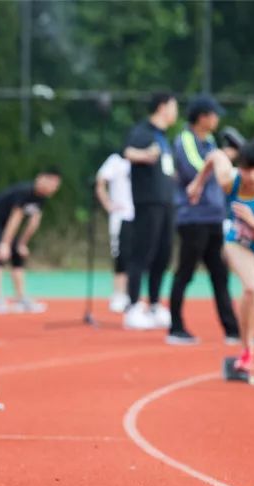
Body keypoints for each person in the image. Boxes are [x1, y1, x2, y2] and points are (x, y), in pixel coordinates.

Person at [188, 139, 254, 384]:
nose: (253, 176)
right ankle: (247, 351)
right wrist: (198, 183)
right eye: (247, 169)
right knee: (252, 287)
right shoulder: (230, 180)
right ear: (240, 167)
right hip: (241, 241)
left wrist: (253, 221)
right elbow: (215, 155)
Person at [167, 95, 240, 345]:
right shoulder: (185, 140)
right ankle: (175, 327)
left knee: (220, 274)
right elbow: (195, 169)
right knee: (185, 273)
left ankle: (233, 330)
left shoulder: (209, 141)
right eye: (213, 114)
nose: (217, 119)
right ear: (202, 117)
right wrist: (222, 158)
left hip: (213, 217)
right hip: (193, 218)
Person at [122, 92, 179, 330]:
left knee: (163, 254)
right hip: (148, 202)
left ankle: (154, 303)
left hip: (167, 202)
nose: (176, 112)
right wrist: (145, 155)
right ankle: (133, 305)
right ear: (163, 107)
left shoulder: (164, 137)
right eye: (174, 106)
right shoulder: (142, 131)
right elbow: (126, 152)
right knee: (142, 253)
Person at [0, 169, 63, 313]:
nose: (54, 188)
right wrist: (5, 244)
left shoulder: (42, 198)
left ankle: (21, 299)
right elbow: (15, 218)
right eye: (52, 182)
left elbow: (34, 222)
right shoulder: (25, 192)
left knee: (17, 255)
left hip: (6, 224)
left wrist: (21, 244)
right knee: (0, 255)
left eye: (56, 185)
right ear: (41, 178)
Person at [94, 153, 135, 313]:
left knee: (137, 257)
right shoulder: (116, 161)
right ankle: (118, 294)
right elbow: (100, 180)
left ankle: (132, 295)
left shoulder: (145, 162)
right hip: (121, 215)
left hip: (140, 216)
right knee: (122, 256)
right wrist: (108, 204)